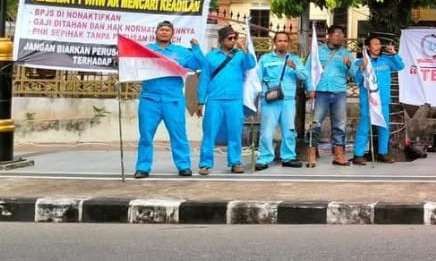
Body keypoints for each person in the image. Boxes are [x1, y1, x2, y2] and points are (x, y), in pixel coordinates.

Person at [134, 21, 205, 179]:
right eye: (162, 30)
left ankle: (184, 166)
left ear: (172, 34)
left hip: (173, 100)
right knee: (146, 135)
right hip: (149, 99)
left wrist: (196, 48)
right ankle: (142, 167)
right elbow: (131, 64)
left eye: (167, 30)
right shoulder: (146, 50)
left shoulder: (181, 52)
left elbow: (200, 65)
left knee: (178, 134)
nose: (164, 32)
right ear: (156, 32)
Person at [196, 25, 256, 175]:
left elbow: (251, 64)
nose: (233, 41)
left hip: (235, 100)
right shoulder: (210, 57)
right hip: (215, 100)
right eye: (230, 39)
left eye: (235, 38)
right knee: (209, 132)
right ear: (221, 40)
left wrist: (245, 49)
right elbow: (204, 80)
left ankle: (235, 162)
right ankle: (205, 163)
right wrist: (200, 101)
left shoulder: (240, 55)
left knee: (235, 132)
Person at [254, 31, 313, 170]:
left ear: (289, 43)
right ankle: (264, 158)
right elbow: (257, 78)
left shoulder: (294, 59)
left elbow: (305, 76)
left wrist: (295, 67)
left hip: (288, 100)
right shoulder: (265, 59)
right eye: (279, 41)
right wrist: (260, 95)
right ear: (275, 43)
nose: (282, 43)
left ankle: (288, 157)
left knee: (289, 130)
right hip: (270, 99)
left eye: (285, 41)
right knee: (267, 130)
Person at [352, 34, 405, 164]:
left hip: (383, 100)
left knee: (384, 127)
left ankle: (383, 153)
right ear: (368, 47)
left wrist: (394, 53)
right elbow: (357, 80)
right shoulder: (360, 62)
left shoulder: (386, 60)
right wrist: (362, 68)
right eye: (375, 44)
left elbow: (400, 66)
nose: (378, 46)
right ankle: (358, 154)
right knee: (364, 127)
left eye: (379, 44)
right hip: (367, 100)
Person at [309, 25, 354, 166]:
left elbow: (355, 76)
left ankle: (339, 155)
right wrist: (310, 88)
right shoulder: (318, 52)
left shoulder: (346, 53)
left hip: (339, 92)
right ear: (328, 35)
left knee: (340, 125)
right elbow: (308, 70)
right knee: (315, 123)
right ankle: (311, 155)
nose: (339, 36)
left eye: (341, 34)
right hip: (321, 91)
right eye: (336, 34)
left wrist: (348, 65)